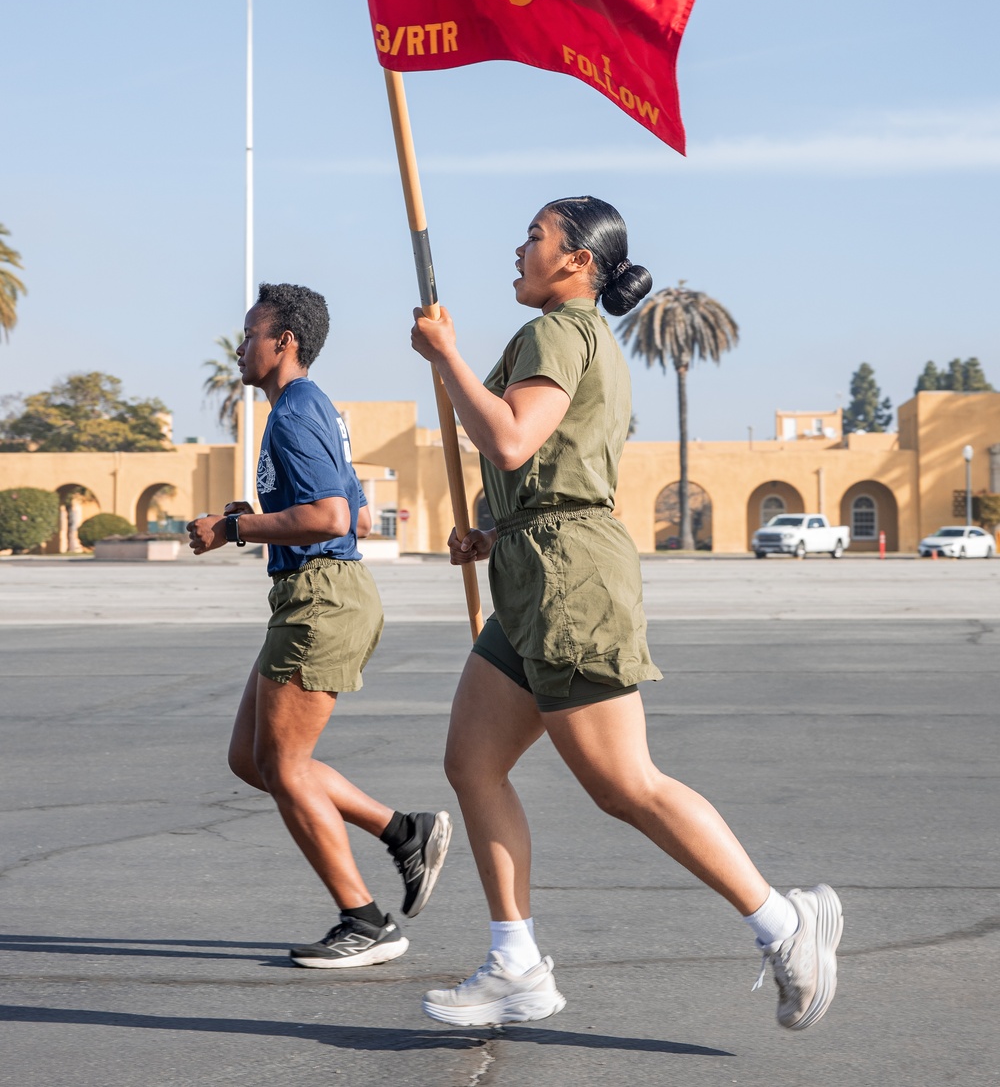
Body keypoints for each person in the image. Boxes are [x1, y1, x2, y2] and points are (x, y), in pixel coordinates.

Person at [410, 198, 842, 1029]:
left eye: (533, 236)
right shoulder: (572, 338)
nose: (518, 247)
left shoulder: (557, 332)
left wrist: (446, 354)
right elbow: (546, 463)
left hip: (571, 581)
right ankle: (516, 962)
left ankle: (786, 927)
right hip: (532, 571)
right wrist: (496, 528)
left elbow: (509, 439)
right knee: (472, 761)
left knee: (626, 786)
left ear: (575, 261)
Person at [188, 281, 451, 969]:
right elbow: (359, 515)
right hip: (317, 592)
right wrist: (256, 513)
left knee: (284, 764)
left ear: (286, 342)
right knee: (252, 760)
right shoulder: (314, 410)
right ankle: (403, 831)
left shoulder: (296, 410)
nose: (241, 345)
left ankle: (365, 921)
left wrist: (235, 526)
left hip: (321, 599)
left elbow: (334, 519)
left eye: (251, 333)